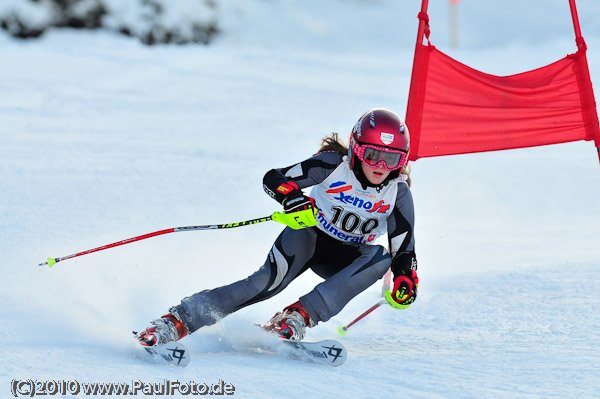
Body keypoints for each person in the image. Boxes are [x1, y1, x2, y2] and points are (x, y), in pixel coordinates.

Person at [136, 108, 418, 346]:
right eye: (372, 155)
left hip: (347, 258)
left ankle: (298, 316)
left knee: (381, 258)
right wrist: (293, 197)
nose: (380, 165)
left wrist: (406, 277)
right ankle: (177, 320)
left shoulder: (399, 194)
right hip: (307, 237)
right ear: (357, 150)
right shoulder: (333, 166)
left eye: (391, 158)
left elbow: (404, 249)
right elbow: (274, 177)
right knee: (265, 284)